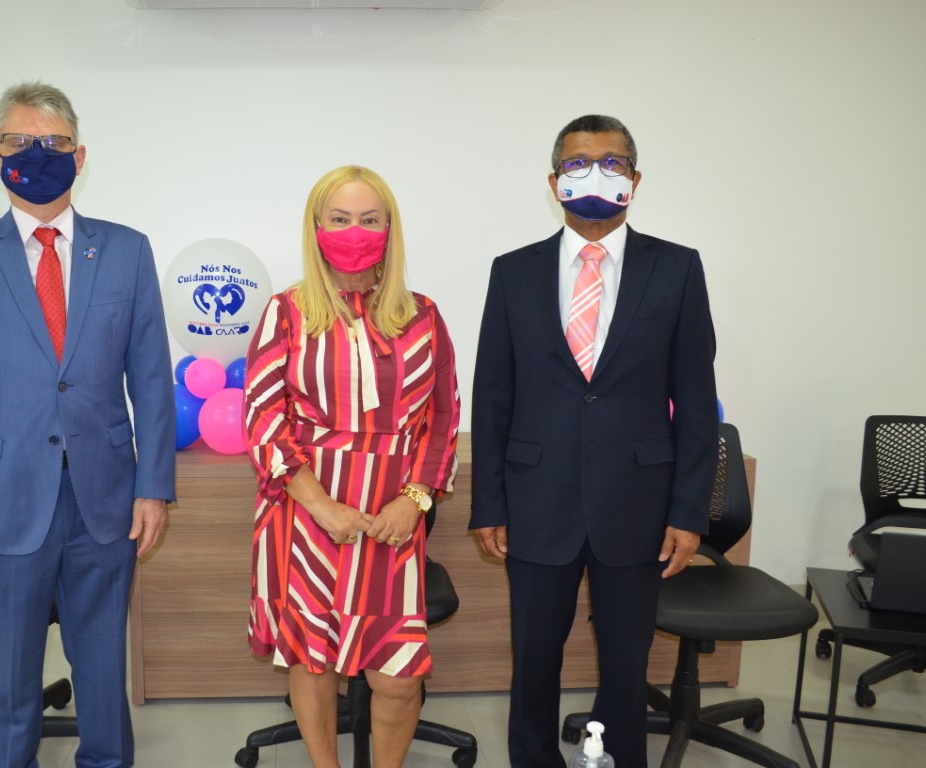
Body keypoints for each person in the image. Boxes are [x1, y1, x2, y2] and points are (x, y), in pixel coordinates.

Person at [0, 81, 176, 768]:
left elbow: (152, 381)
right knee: (7, 679)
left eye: (55, 142)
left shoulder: (127, 251)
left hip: (105, 501)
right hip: (0, 506)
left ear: (80, 156)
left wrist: (154, 488)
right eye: (20, 141)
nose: (38, 153)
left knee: (102, 671)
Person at [470, 115, 718, 768]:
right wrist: (489, 503)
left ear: (635, 178)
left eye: (613, 162)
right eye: (579, 163)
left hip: (639, 504)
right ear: (555, 180)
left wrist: (688, 512)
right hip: (535, 500)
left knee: (626, 666)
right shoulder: (513, 272)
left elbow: (697, 404)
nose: (596, 174)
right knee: (533, 661)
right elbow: (492, 396)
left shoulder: (677, 269)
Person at [243, 165, 461, 768]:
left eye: (369, 219)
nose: (354, 231)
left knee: (397, 677)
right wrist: (321, 507)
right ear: (316, 227)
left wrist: (416, 499)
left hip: (393, 518)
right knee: (312, 661)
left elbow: (444, 415)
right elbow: (262, 416)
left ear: (390, 229)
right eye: (339, 219)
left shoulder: (424, 316)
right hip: (304, 515)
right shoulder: (286, 312)